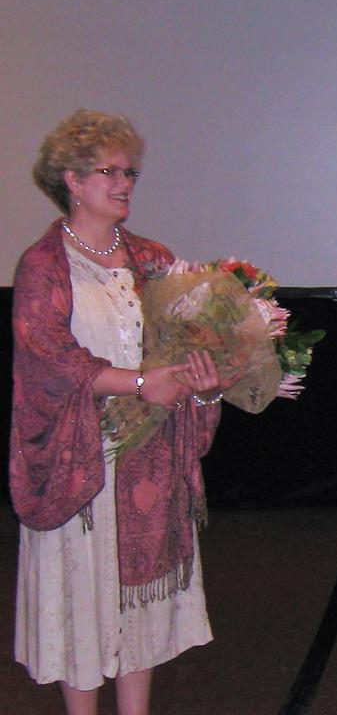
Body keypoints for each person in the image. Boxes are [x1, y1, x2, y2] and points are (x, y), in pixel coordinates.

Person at [9, 109, 230, 715]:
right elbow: (49, 359)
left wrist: (204, 383)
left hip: (148, 459)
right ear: (72, 181)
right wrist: (139, 382)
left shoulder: (154, 259)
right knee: (85, 603)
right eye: (107, 171)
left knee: (140, 608)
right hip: (84, 464)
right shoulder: (44, 266)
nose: (124, 182)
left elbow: (186, 346)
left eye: (129, 171)